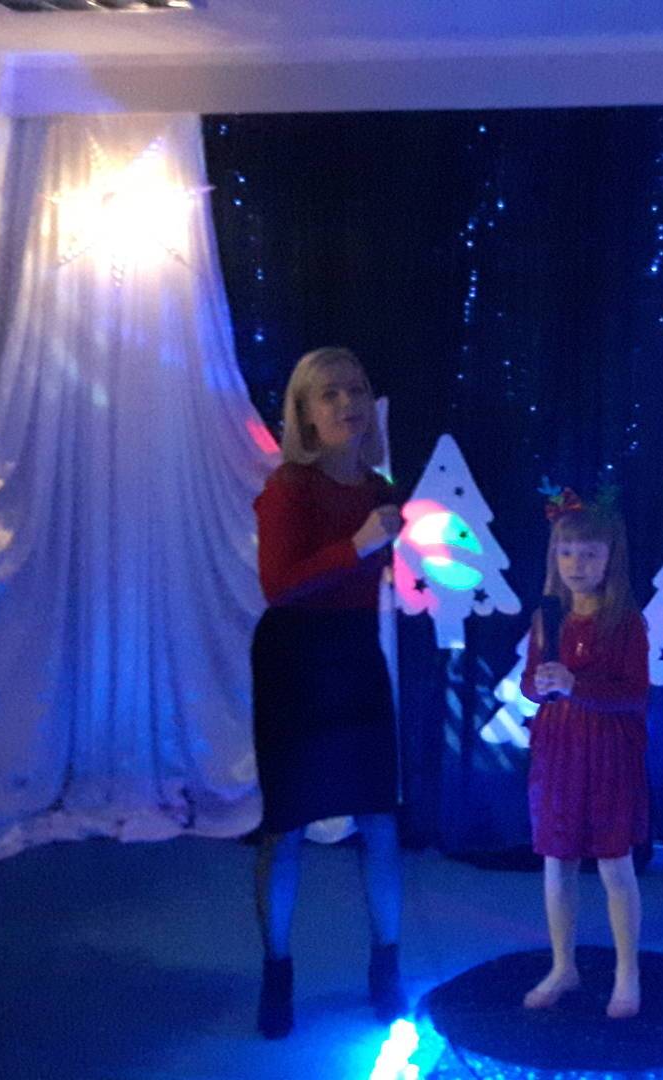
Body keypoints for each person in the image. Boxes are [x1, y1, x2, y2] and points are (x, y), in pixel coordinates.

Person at [250, 347, 405, 1038]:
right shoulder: (289, 486)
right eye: (330, 394)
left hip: (355, 656)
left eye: (357, 390)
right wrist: (361, 545)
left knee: (380, 820)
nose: (348, 404)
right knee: (286, 828)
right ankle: (277, 970)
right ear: (306, 415)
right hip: (295, 663)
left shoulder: (379, 487)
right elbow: (278, 585)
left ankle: (387, 965)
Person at [519, 491, 652, 1020]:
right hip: (558, 750)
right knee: (558, 861)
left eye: (590, 553)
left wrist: (578, 686)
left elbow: (634, 695)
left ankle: (627, 971)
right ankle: (562, 966)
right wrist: (540, 685)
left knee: (614, 863)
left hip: (608, 753)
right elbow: (530, 683)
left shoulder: (625, 622)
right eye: (567, 553)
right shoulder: (547, 617)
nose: (577, 564)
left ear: (610, 558)